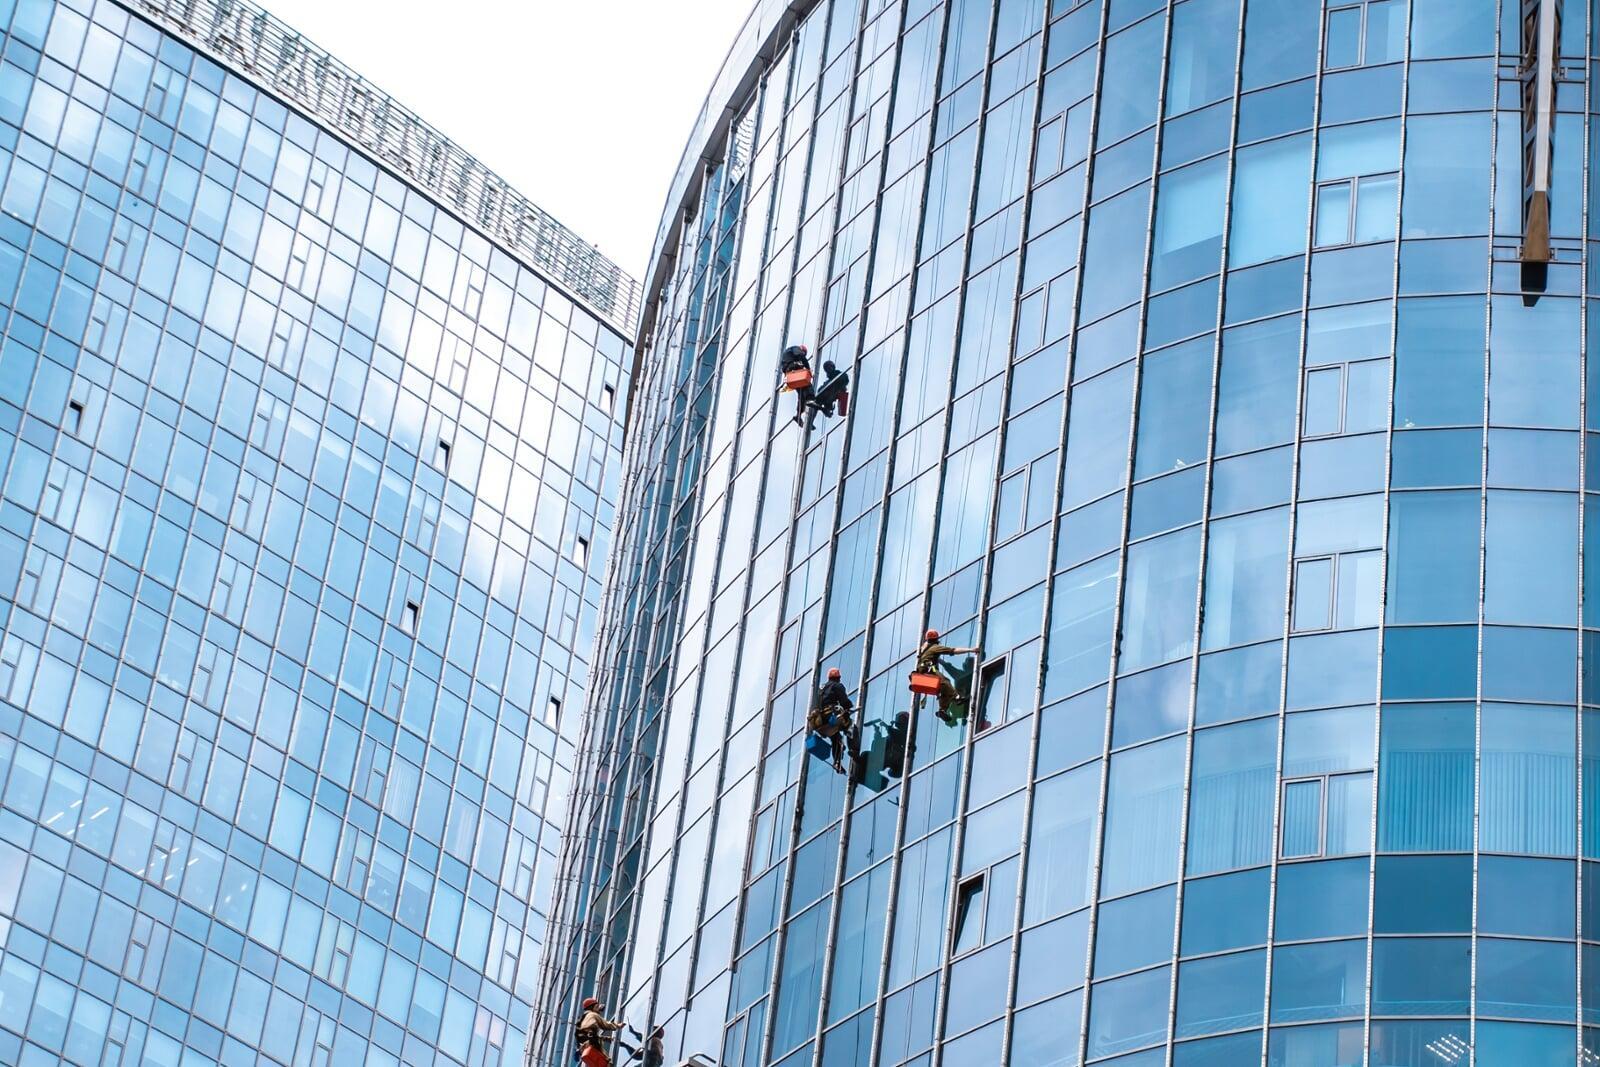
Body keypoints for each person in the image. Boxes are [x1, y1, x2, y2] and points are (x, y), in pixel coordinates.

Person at [915, 629, 980, 726]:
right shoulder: (935, 647)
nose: (963, 664)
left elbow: (946, 666)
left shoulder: (925, 648)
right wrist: (971, 650)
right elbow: (953, 651)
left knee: (943, 689)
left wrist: (939, 660)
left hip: (923, 671)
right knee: (945, 681)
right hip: (928, 670)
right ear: (936, 639)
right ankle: (957, 697)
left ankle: (943, 710)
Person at [807, 666, 855, 773]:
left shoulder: (821, 689)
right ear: (838, 678)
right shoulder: (837, 686)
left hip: (819, 721)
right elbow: (844, 701)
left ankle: (837, 762)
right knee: (849, 724)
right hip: (830, 717)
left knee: (836, 738)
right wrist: (849, 707)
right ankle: (853, 747)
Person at [802, 359, 851, 429]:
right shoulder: (829, 381)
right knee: (816, 403)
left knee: (818, 402)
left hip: (832, 393)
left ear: (833, 367)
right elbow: (821, 393)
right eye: (827, 368)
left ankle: (823, 412)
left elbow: (845, 380)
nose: (828, 369)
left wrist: (840, 388)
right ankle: (811, 421)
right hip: (827, 396)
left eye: (829, 367)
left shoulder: (838, 375)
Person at [575, 997, 623, 1066]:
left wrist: (605, 1038)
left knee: (596, 1062)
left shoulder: (582, 1020)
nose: (598, 1008)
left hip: (584, 1046)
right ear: (592, 1007)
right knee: (607, 1061)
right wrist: (617, 1026)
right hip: (591, 1042)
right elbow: (605, 1025)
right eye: (596, 1007)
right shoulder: (593, 1015)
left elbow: (587, 1034)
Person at [779, 344, 816, 425]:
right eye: (804, 353)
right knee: (807, 384)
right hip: (793, 367)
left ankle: (798, 415)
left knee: (801, 395)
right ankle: (810, 398)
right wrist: (808, 369)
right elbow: (801, 356)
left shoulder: (789, 353)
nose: (803, 355)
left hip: (790, 374)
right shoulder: (796, 349)